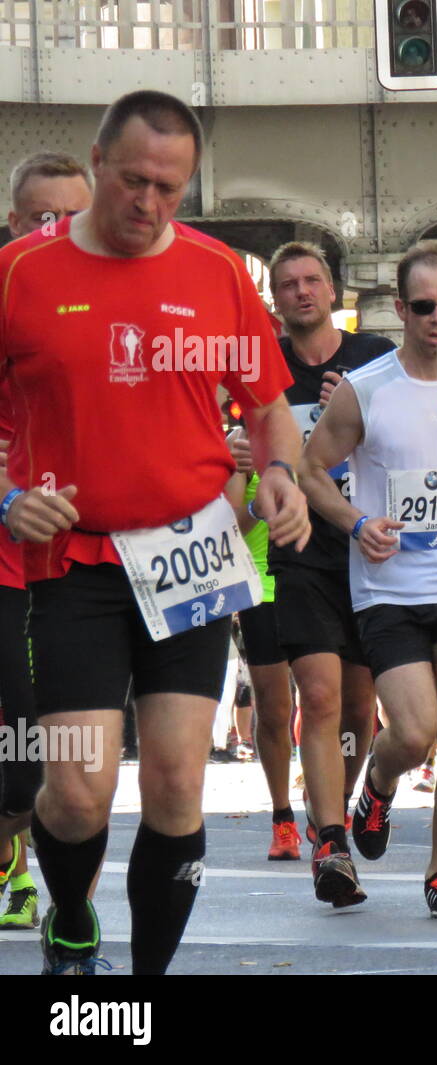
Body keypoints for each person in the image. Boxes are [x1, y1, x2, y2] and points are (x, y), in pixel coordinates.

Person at [0, 90, 309, 972]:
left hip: (192, 556)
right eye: (134, 180)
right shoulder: (22, 273)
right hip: (73, 561)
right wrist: (5, 496)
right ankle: (69, 917)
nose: (149, 204)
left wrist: (280, 474)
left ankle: (140, 988)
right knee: (77, 787)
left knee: (178, 781)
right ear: (96, 162)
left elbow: (271, 412)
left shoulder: (217, 274)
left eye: (172, 188)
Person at [299, 239, 437, 917]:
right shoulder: (368, 391)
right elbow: (309, 472)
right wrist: (358, 522)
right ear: (399, 308)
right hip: (390, 589)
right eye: (423, 305)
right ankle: (378, 787)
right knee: (414, 728)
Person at [265, 240, 394, 907]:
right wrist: (239, 449)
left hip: (368, 547)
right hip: (301, 552)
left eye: (312, 279)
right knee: (316, 695)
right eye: (287, 283)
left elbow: (407, 434)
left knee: (358, 708)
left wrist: (357, 406)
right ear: (275, 297)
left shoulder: (375, 358)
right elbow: (239, 439)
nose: (301, 291)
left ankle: (345, 804)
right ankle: (330, 839)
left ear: (334, 290)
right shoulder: (263, 368)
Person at [0, 152, 94, 930]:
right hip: (6, 556)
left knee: (58, 755)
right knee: (18, 748)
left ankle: (58, 895)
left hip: (77, 568)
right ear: (13, 223)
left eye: (69, 217)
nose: (54, 232)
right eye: (40, 217)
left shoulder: (119, 299)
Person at [223, 430, 299, 858]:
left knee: (336, 701)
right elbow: (232, 526)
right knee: (274, 707)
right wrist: (257, 503)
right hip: (261, 589)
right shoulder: (246, 440)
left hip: (317, 582)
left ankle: (336, 810)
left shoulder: (321, 420)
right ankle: (283, 816)